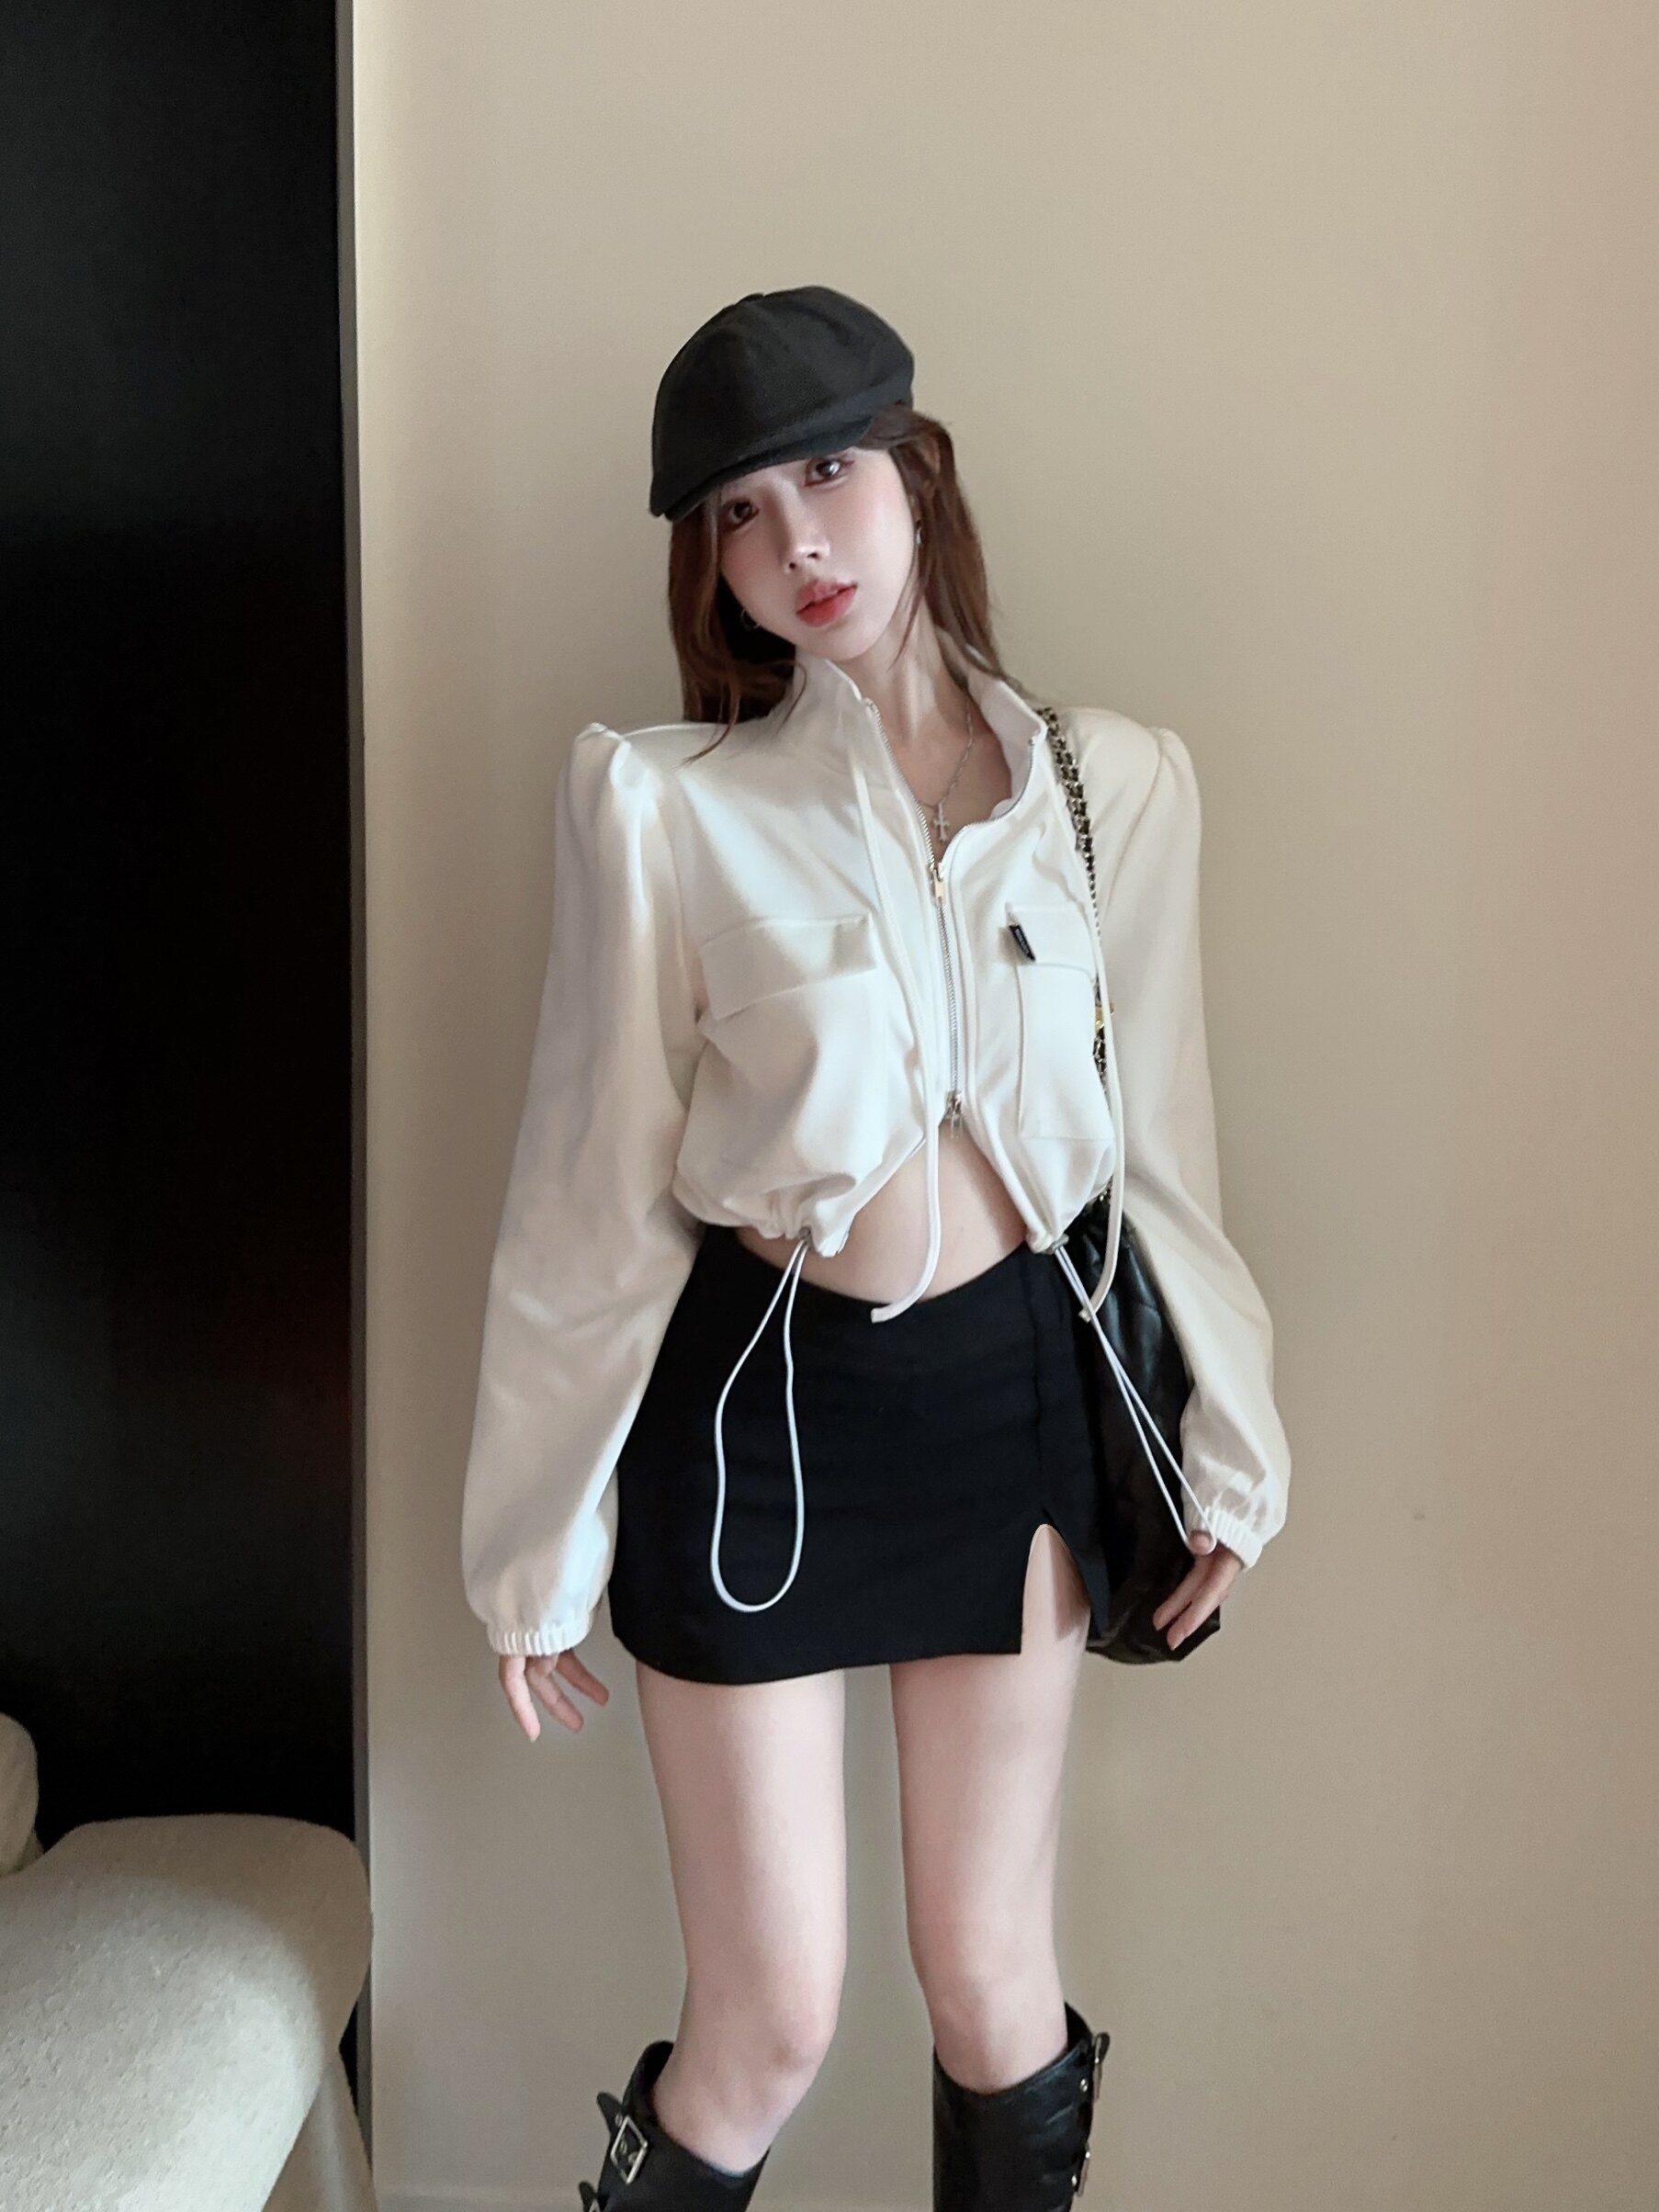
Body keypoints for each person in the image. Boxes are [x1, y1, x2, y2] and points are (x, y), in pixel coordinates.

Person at [458, 285, 1292, 2210]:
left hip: (1011, 1408)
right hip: (758, 1419)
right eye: (737, 513)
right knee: (769, 2017)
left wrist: (1232, 1445)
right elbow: (588, 1196)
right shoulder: (664, 808)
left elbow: (1159, 1153)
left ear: (917, 472)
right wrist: (530, 1544)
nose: (794, 545)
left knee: (991, 1983)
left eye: (827, 474)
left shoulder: (1108, 786)